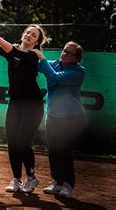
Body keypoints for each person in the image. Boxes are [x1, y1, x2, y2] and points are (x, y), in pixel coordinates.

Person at [0, 25, 47, 193]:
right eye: (28, 32)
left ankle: (31, 177)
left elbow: (14, 53)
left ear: (37, 41)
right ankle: (16, 180)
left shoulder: (33, 55)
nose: (29, 35)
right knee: (12, 143)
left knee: (22, 142)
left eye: (33, 35)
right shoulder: (12, 50)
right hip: (14, 104)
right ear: (23, 34)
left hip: (33, 105)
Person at [32, 41, 85, 198]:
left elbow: (54, 76)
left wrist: (41, 57)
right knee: (53, 150)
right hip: (53, 115)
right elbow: (32, 65)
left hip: (71, 117)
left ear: (77, 58)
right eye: (64, 50)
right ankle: (58, 182)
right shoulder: (54, 64)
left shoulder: (79, 72)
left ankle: (68, 185)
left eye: (69, 53)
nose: (64, 54)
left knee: (64, 150)